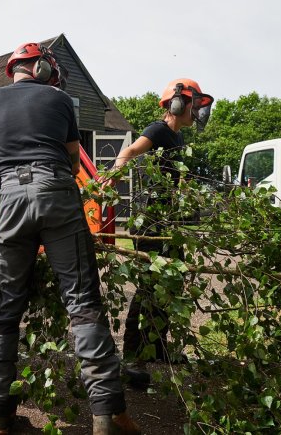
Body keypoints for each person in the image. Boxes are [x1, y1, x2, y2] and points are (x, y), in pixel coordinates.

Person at [0, 42, 139, 435]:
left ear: (13, 70)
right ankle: (109, 416)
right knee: (82, 304)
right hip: (57, 191)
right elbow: (74, 158)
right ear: (42, 69)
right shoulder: (59, 99)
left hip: (8, 200)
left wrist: (5, 166)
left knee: (3, 312)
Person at [109, 79, 213, 387]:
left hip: (170, 220)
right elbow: (129, 152)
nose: (197, 111)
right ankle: (132, 357)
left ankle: (157, 346)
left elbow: (177, 179)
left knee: (170, 283)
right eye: (194, 104)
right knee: (149, 286)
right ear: (178, 103)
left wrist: (188, 197)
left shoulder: (178, 139)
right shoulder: (158, 130)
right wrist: (114, 176)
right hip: (151, 221)